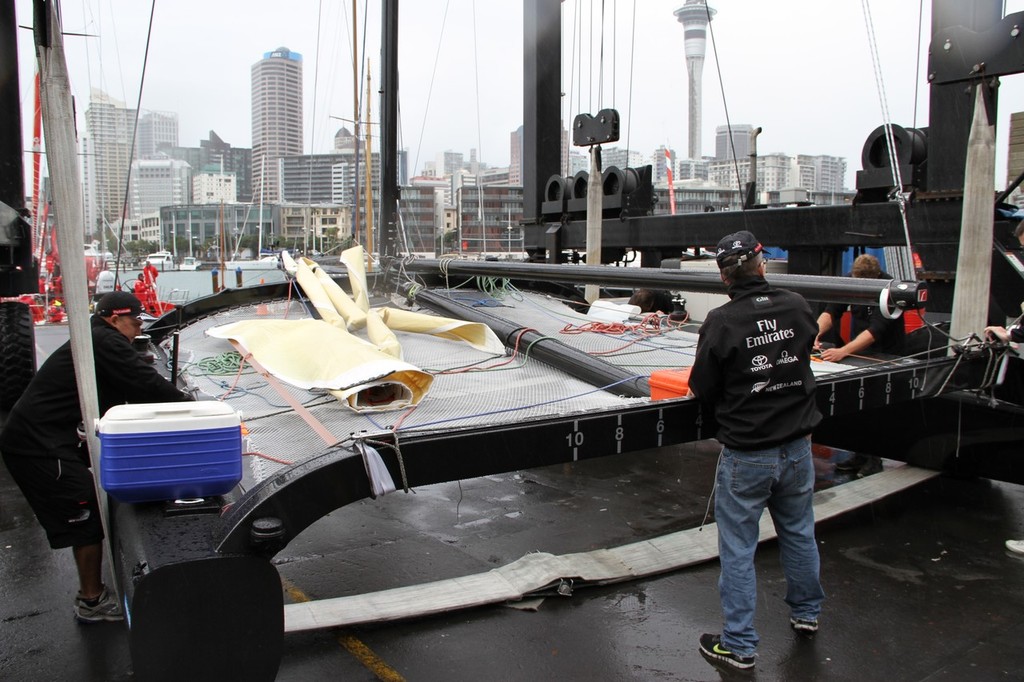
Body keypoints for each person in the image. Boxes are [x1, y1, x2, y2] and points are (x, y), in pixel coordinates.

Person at [0, 291, 192, 623]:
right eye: (134, 322)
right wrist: (193, 406)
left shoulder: (96, 337)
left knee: (86, 509)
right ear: (114, 319)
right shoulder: (106, 342)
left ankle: (93, 594)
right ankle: (91, 601)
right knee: (83, 513)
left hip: (43, 436)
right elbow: (144, 383)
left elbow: (124, 392)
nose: (138, 330)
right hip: (37, 445)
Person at [688, 230, 825, 671]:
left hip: (748, 453)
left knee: (739, 548)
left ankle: (740, 645)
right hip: (798, 446)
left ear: (724, 276)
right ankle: (806, 614)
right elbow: (803, 352)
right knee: (800, 531)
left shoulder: (723, 322)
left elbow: (702, 387)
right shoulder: (797, 305)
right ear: (761, 263)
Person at [815, 254, 905, 362]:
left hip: (887, 354)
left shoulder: (890, 291)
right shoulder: (850, 281)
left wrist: (843, 351)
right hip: (858, 350)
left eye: (866, 284)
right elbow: (831, 311)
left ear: (877, 275)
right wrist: (814, 333)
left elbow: (875, 330)